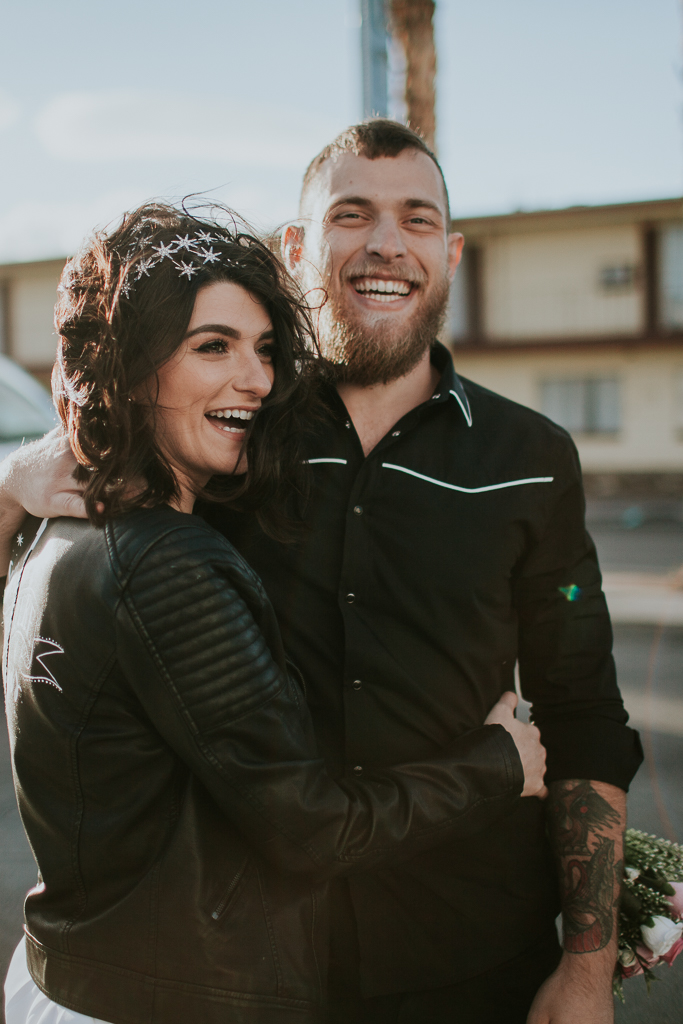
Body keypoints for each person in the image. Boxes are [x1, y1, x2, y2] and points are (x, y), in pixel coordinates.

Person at [0, 122, 643, 1022]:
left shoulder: (530, 458)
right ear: (296, 248)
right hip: (255, 969)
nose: (386, 242)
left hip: (468, 954)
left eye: (416, 219)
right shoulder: (236, 432)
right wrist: (15, 478)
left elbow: (582, 716)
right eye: (352, 213)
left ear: (449, 253)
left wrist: (585, 967)